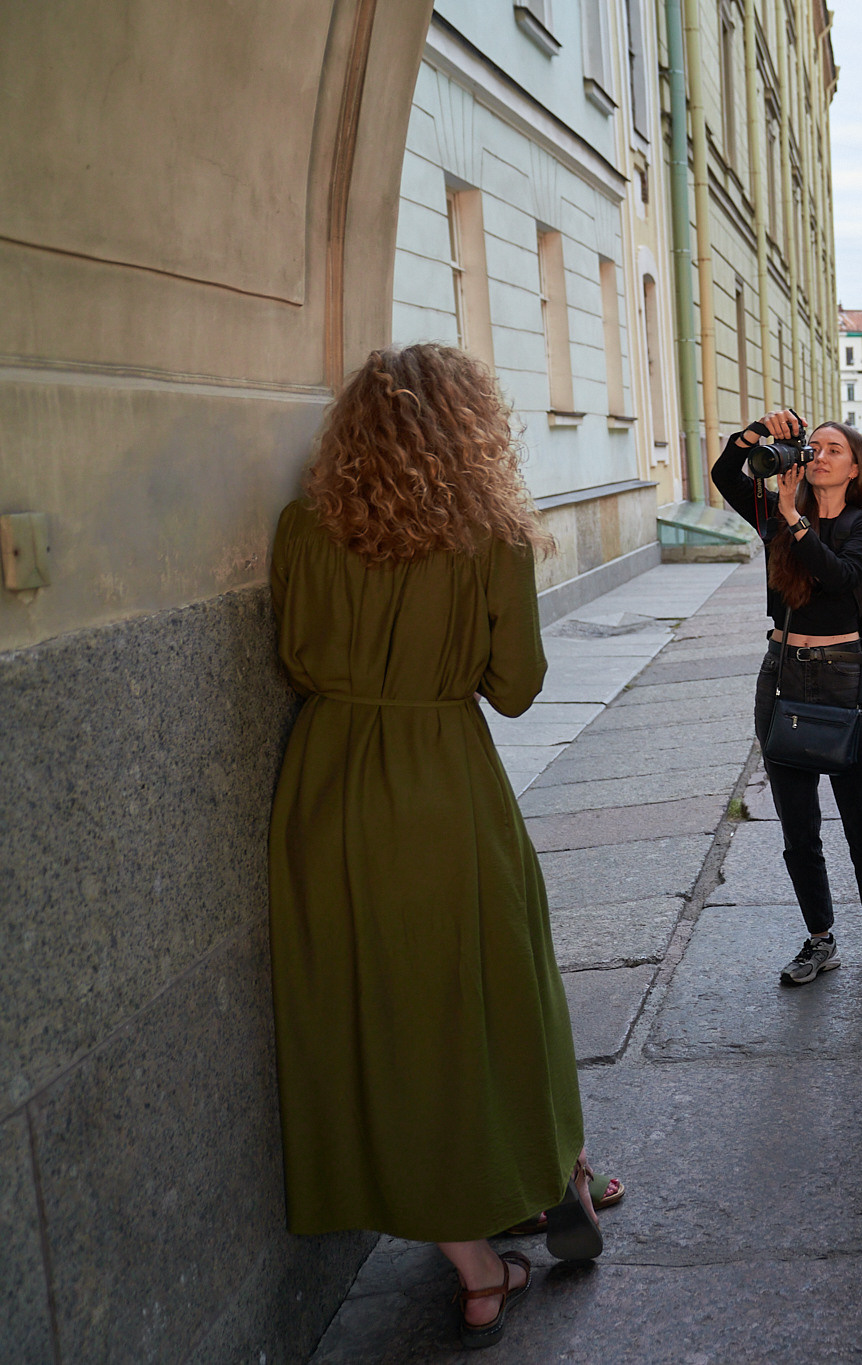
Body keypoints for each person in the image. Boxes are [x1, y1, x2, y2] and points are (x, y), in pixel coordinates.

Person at [269, 344, 609, 1349]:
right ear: (471, 432)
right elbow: (516, 687)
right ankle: (538, 1184)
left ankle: (485, 1253)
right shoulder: (487, 538)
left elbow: (295, 658)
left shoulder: (301, 529)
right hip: (443, 786)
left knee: (377, 1021)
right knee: (497, 992)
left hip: (328, 792)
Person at [712, 411, 862, 991]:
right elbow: (726, 474)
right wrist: (756, 434)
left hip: (846, 681)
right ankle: (820, 940)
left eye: (833, 450)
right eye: (812, 447)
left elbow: (840, 576)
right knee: (799, 829)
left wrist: (794, 518)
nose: (819, 456)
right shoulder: (776, 514)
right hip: (783, 679)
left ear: (856, 468)